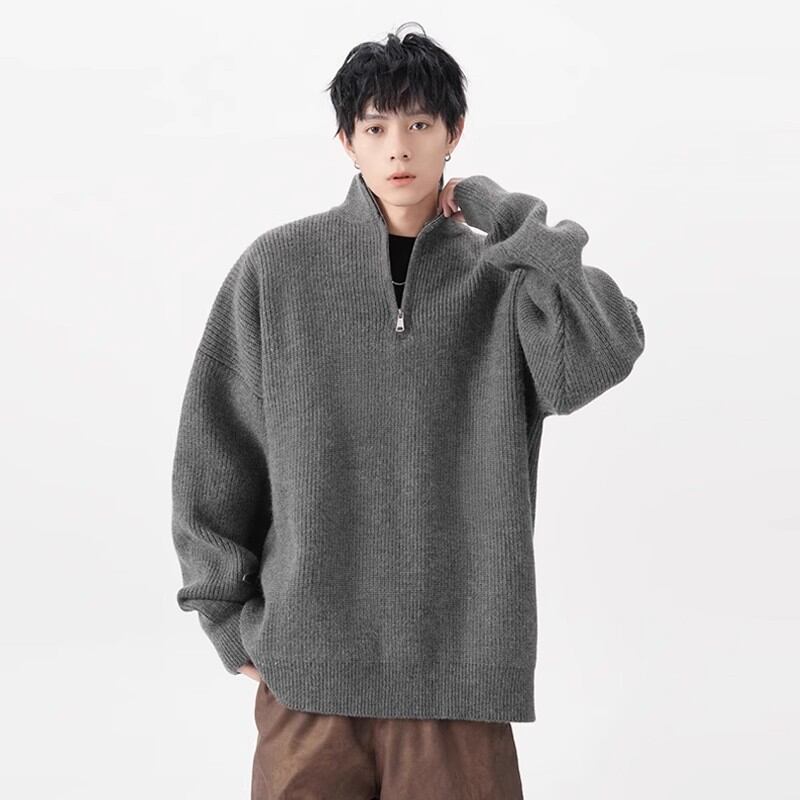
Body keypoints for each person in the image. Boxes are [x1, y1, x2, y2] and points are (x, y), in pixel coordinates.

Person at [170, 21, 646, 800]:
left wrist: (508, 219)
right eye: (376, 128)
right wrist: (226, 616)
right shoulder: (276, 269)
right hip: (308, 683)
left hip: (459, 683)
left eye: (421, 125)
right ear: (346, 142)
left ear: (454, 133)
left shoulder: (503, 278)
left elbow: (600, 353)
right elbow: (215, 446)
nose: (399, 149)